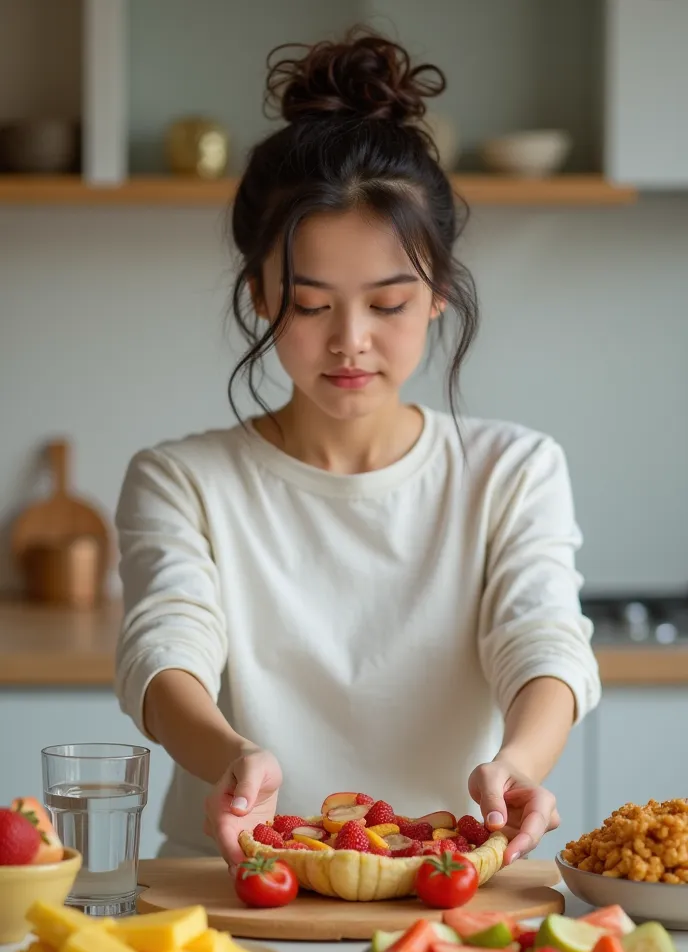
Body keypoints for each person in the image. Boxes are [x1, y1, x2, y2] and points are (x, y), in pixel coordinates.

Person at [114, 29, 601, 869]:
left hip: (448, 875)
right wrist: (234, 757)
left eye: (388, 303)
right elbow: (164, 652)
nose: (350, 342)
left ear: (439, 293)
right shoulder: (181, 480)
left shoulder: (513, 470)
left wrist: (519, 765)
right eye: (310, 305)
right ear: (261, 292)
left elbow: (543, 639)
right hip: (232, 879)